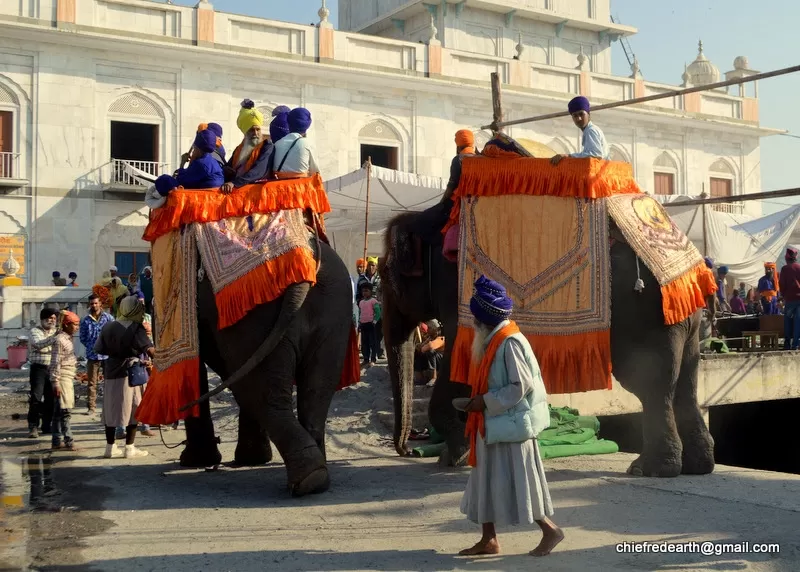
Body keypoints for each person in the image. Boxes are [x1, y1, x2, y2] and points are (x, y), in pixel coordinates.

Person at [460, 276, 563, 557]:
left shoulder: (509, 343)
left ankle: (550, 530)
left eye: (476, 319)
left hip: (512, 426)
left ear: (484, 320)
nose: (474, 324)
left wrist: (485, 401)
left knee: (522, 482)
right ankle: (489, 539)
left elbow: (521, 386)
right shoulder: (497, 339)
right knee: (484, 480)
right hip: (495, 423)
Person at [405, 129, 479, 276]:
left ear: (458, 145)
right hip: (477, 206)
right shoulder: (481, 159)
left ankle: (418, 266)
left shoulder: (458, 160)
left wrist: (442, 203)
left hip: (456, 206)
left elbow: (451, 188)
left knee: (417, 223)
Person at [94, 296, 154, 459]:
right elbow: (149, 349)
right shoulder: (136, 328)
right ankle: (129, 448)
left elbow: (99, 349)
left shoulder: (108, 326)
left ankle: (110, 447)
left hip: (111, 371)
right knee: (133, 409)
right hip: (131, 373)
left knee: (111, 408)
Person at [220, 99, 274, 193]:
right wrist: (226, 169)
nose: (255, 133)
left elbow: (258, 171)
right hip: (238, 193)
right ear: (245, 132)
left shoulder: (267, 146)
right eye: (251, 130)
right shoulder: (239, 149)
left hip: (256, 193)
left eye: (258, 130)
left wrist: (235, 183)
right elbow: (228, 166)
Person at [153, 129, 225, 198]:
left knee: (164, 180)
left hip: (201, 196)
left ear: (198, 149)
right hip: (208, 193)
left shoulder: (201, 164)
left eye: (194, 148)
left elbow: (182, 180)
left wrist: (182, 164)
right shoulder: (210, 159)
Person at [49, 311, 80, 451]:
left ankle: (56, 440)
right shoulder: (60, 340)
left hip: (67, 375)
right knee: (65, 410)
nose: (77, 327)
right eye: (75, 324)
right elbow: (55, 362)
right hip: (62, 377)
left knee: (58, 410)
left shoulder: (67, 338)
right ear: (67, 325)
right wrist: (55, 382)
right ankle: (69, 440)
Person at [79, 293, 114, 416]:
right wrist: (91, 346)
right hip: (92, 355)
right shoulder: (85, 320)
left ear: (100, 304)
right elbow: (82, 337)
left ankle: (108, 406)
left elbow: (114, 335)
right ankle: (91, 407)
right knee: (92, 383)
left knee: (109, 381)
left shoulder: (109, 318)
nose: (94, 305)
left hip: (107, 356)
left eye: (96, 303)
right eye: (92, 303)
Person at [27, 308, 59, 438]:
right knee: (36, 397)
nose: (52, 321)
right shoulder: (35, 331)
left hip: (52, 368)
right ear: (43, 319)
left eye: (54, 318)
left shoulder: (56, 331)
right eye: (49, 318)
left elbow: (58, 349)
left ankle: (47, 425)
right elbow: (37, 345)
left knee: (51, 399)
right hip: (38, 369)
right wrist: (52, 342)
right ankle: (33, 426)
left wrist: (46, 347)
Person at [550, 96, 609, 165]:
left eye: (581, 114)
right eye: (575, 116)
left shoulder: (591, 130)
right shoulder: (589, 130)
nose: (579, 118)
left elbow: (595, 155)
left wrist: (569, 156)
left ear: (588, 114)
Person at [268, 107, 319, 179]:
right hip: (300, 187)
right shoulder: (308, 143)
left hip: (279, 187)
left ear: (289, 123)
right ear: (307, 126)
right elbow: (315, 172)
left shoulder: (277, 144)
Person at [357, 257, 384, 358]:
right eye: (369, 265)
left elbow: (383, 292)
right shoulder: (362, 278)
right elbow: (358, 293)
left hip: (378, 309)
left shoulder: (381, 277)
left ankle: (379, 352)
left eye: (373, 265)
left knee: (378, 331)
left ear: (376, 267)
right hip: (365, 310)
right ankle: (366, 355)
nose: (371, 267)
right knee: (366, 334)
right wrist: (360, 303)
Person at [779, 248, 800, 350]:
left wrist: (783, 296)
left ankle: (787, 344)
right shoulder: (799, 268)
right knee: (798, 322)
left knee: (788, 321)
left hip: (790, 300)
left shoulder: (784, 269)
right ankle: (795, 345)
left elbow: (782, 285)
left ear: (787, 258)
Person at [414, 321, 445, 385]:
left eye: (429, 329)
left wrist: (422, 347)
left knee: (430, 351)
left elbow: (429, 346)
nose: (427, 331)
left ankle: (434, 377)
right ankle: (420, 378)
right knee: (417, 353)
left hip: (442, 361)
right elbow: (420, 346)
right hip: (434, 361)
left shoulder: (441, 337)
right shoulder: (430, 338)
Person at [358, 283, 381, 366]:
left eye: (366, 291)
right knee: (364, 343)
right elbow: (360, 313)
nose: (364, 293)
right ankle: (366, 359)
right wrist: (359, 322)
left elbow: (378, 312)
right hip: (363, 324)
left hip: (371, 325)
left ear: (371, 292)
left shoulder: (373, 301)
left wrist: (374, 322)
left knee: (372, 342)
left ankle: (373, 359)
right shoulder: (361, 302)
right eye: (363, 291)